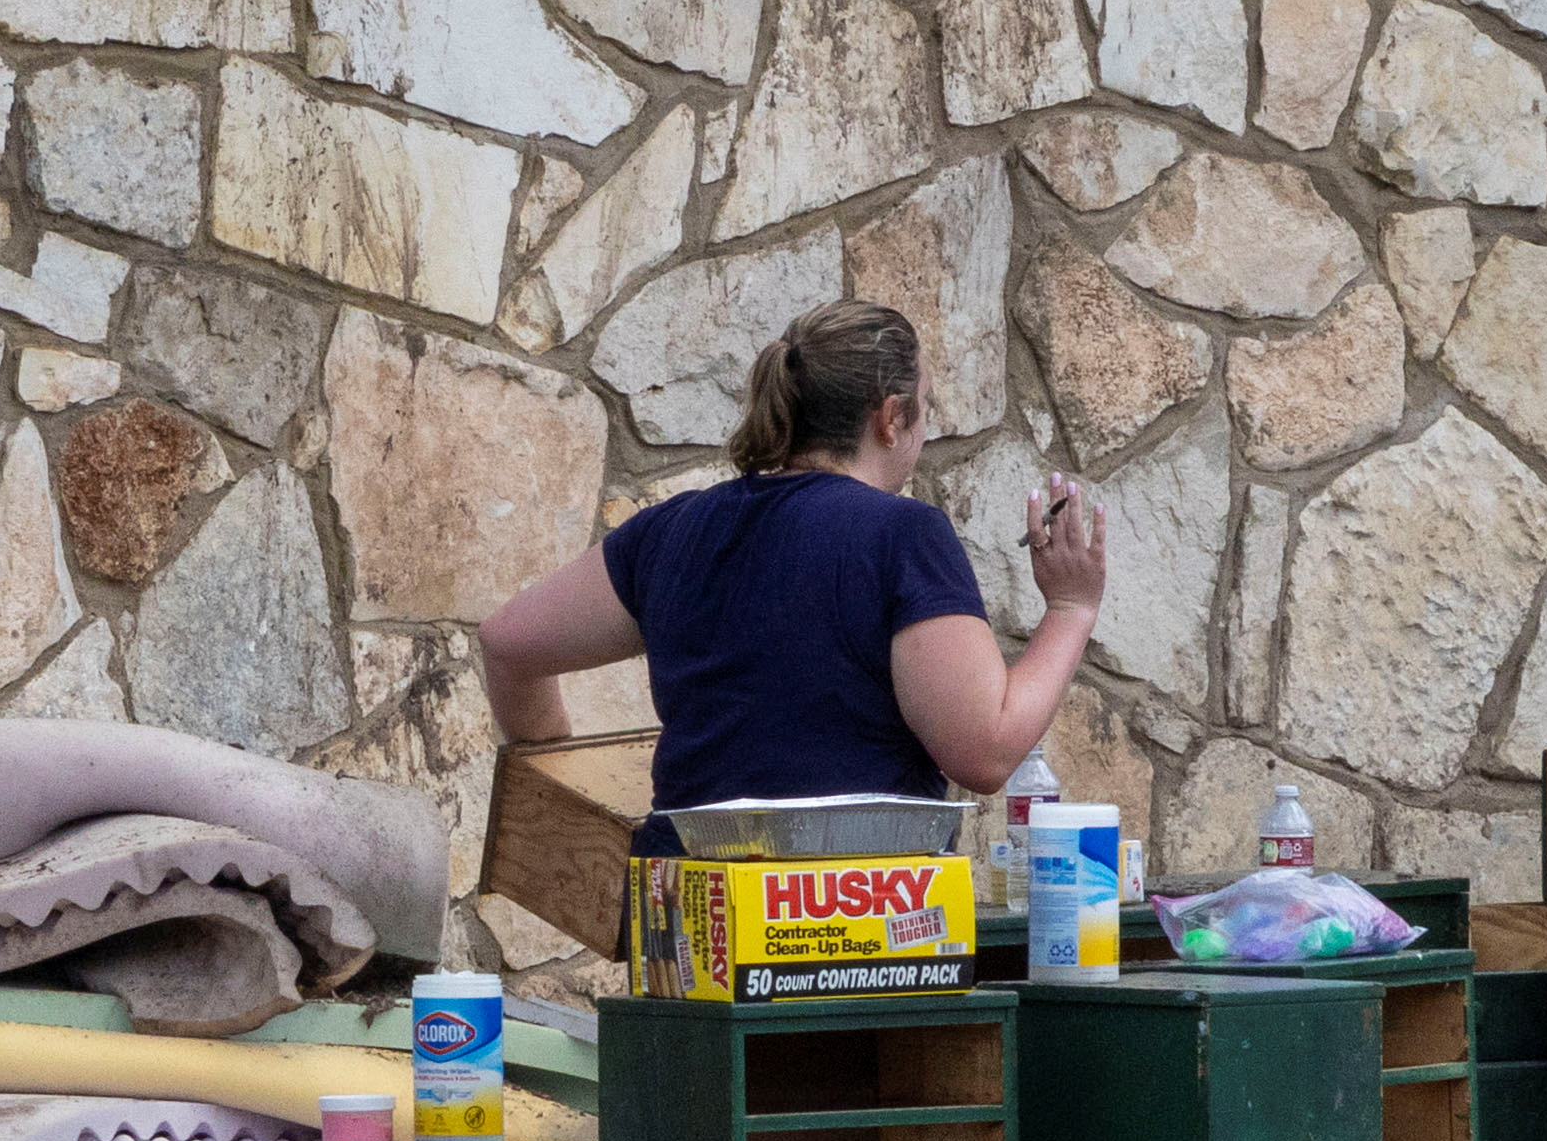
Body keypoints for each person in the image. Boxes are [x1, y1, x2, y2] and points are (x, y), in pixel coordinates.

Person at [471, 297, 1106, 809]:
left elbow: (508, 641)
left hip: (688, 927)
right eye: (924, 409)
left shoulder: (672, 529)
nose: (923, 429)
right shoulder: (902, 536)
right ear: (890, 417)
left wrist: (557, 780)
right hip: (845, 939)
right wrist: (1071, 608)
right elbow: (985, 751)